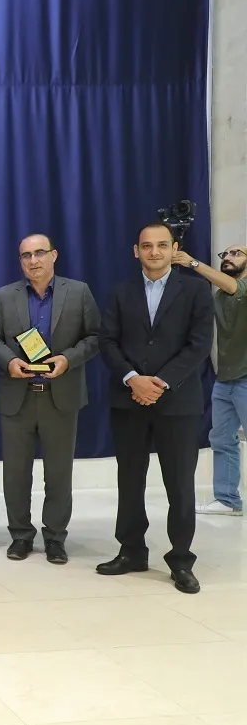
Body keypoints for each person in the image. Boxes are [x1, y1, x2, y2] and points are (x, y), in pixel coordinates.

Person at [97, 222, 214, 594]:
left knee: (179, 483)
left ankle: (181, 560)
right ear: (137, 251)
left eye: (162, 245)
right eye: (146, 246)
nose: (154, 252)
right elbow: (107, 341)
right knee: (130, 480)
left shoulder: (196, 290)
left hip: (177, 402)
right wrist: (133, 379)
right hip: (129, 399)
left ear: (174, 249)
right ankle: (131, 551)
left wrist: (160, 382)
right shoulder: (120, 292)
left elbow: (199, 345)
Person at [0, 234, 100, 565]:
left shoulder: (78, 292)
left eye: (39, 253)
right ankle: (20, 535)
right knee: (15, 474)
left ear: (54, 255)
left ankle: (55, 537)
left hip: (60, 397)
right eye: (26, 255)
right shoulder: (4, 296)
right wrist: (10, 361)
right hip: (17, 397)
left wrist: (68, 359)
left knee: (58, 474)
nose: (33, 260)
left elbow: (95, 337)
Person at [173, 243, 247, 516]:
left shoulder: (239, 288)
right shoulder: (219, 295)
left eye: (236, 253)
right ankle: (227, 500)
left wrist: (192, 263)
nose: (228, 257)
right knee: (222, 439)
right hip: (225, 378)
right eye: (225, 254)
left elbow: (234, 287)